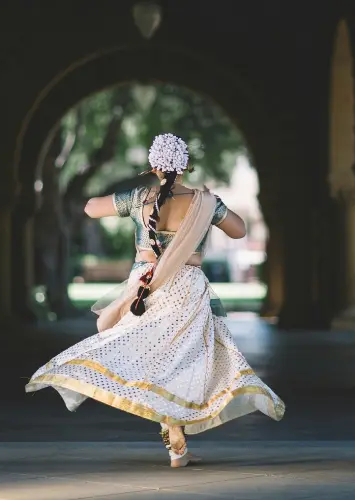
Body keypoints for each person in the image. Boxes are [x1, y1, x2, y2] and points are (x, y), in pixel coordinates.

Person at [25, 133, 285, 468]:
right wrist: (214, 207)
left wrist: (125, 196)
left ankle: (175, 442)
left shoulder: (140, 198)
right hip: (187, 290)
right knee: (181, 362)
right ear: (187, 165)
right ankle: (177, 443)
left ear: (153, 166)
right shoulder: (204, 202)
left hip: (144, 288)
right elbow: (239, 230)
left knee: (149, 357)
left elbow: (90, 208)